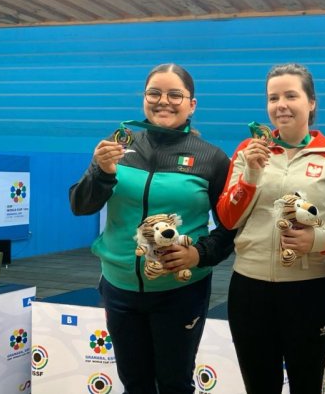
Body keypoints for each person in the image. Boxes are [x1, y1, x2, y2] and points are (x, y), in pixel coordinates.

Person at [69, 63, 235, 394]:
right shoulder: (118, 145)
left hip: (181, 293)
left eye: (175, 94)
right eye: (154, 93)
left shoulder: (212, 158)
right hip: (119, 288)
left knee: (175, 384)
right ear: (143, 98)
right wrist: (101, 171)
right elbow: (81, 205)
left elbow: (231, 227)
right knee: (135, 383)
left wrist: (198, 254)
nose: (164, 101)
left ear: (192, 104)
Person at [216, 63, 325, 394]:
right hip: (249, 288)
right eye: (273, 97)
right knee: (259, 385)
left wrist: (316, 239)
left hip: (312, 289)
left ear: (311, 102)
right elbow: (228, 218)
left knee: (308, 385)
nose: (281, 104)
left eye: (291, 95)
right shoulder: (247, 151)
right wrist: (250, 173)